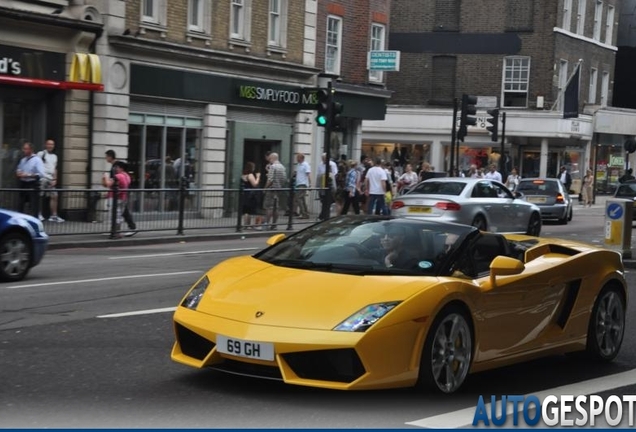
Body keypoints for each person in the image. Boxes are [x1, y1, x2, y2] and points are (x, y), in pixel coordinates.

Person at [105, 150, 137, 236]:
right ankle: (117, 230)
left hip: (118, 195)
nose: (106, 158)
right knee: (121, 212)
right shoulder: (124, 174)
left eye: (106, 156)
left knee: (117, 213)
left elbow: (111, 182)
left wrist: (106, 178)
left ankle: (117, 231)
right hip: (122, 195)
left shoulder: (118, 172)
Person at [37, 139, 64, 222]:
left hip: (51, 178)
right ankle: (38, 214)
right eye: (49, 144)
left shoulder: (55, 156)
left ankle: (53, 216)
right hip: (42, 178)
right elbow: (37, 164)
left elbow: (55, 169)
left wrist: (55, 179)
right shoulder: (41, 154)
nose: (50, 146)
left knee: (54, 196)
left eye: (52, 144)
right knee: (40, 196)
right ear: (45, 145)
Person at [102, 161, 131, 239]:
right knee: (119, 215)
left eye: (116, 167)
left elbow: (107, 184)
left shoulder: (118, 176)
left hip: (115, 199)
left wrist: (105, 177)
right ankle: (117, 232)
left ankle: (115, 232)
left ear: (121, 168)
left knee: (114, 215)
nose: (115, 169)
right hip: (123, 198)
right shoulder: (127, 176)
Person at [16, 141, 45, 217]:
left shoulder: (37, 160)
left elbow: (41, 174)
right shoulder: (23, 160)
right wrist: (19, 173)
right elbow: (19, 168)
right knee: (21, 204)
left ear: (31, 150)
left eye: (26, 149)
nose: (24, 150)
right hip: (23, 183)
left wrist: (28, 175)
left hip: (32, 184)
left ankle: (34, 220)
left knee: (33, 205)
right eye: (24, 149)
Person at [264, 152, 287, 230]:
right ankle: (274, 225)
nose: (269, 160)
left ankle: (265, 225)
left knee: (269, 207)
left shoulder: (273, 167)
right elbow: (284, 179)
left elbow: (270, 180)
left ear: (273, 158)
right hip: (278, 189)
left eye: (270, 158)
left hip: (271, 189)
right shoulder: (282, 167)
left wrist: (265, 188)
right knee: (275, 207)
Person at [241, 161, 262, 229]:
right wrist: (258, 177)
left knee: (245, 210)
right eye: (253, 167)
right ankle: (248, 225)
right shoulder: (250, 175)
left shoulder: (243, 175)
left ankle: (245, 224)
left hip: (244, 193)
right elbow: (254, 184)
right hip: (250, 194)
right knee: (249, 210)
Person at [294, 153, 311, 219]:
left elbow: (308, 174)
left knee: (298, 198)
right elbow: (296, 173)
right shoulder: (298, 165)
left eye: (298, 158)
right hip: (298, 183)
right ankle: (305, 213)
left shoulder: (305, 165)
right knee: (302, 199)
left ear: (302, 158)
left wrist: (310, 184)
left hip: (303, 184)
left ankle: (304, 213)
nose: (297, 159)